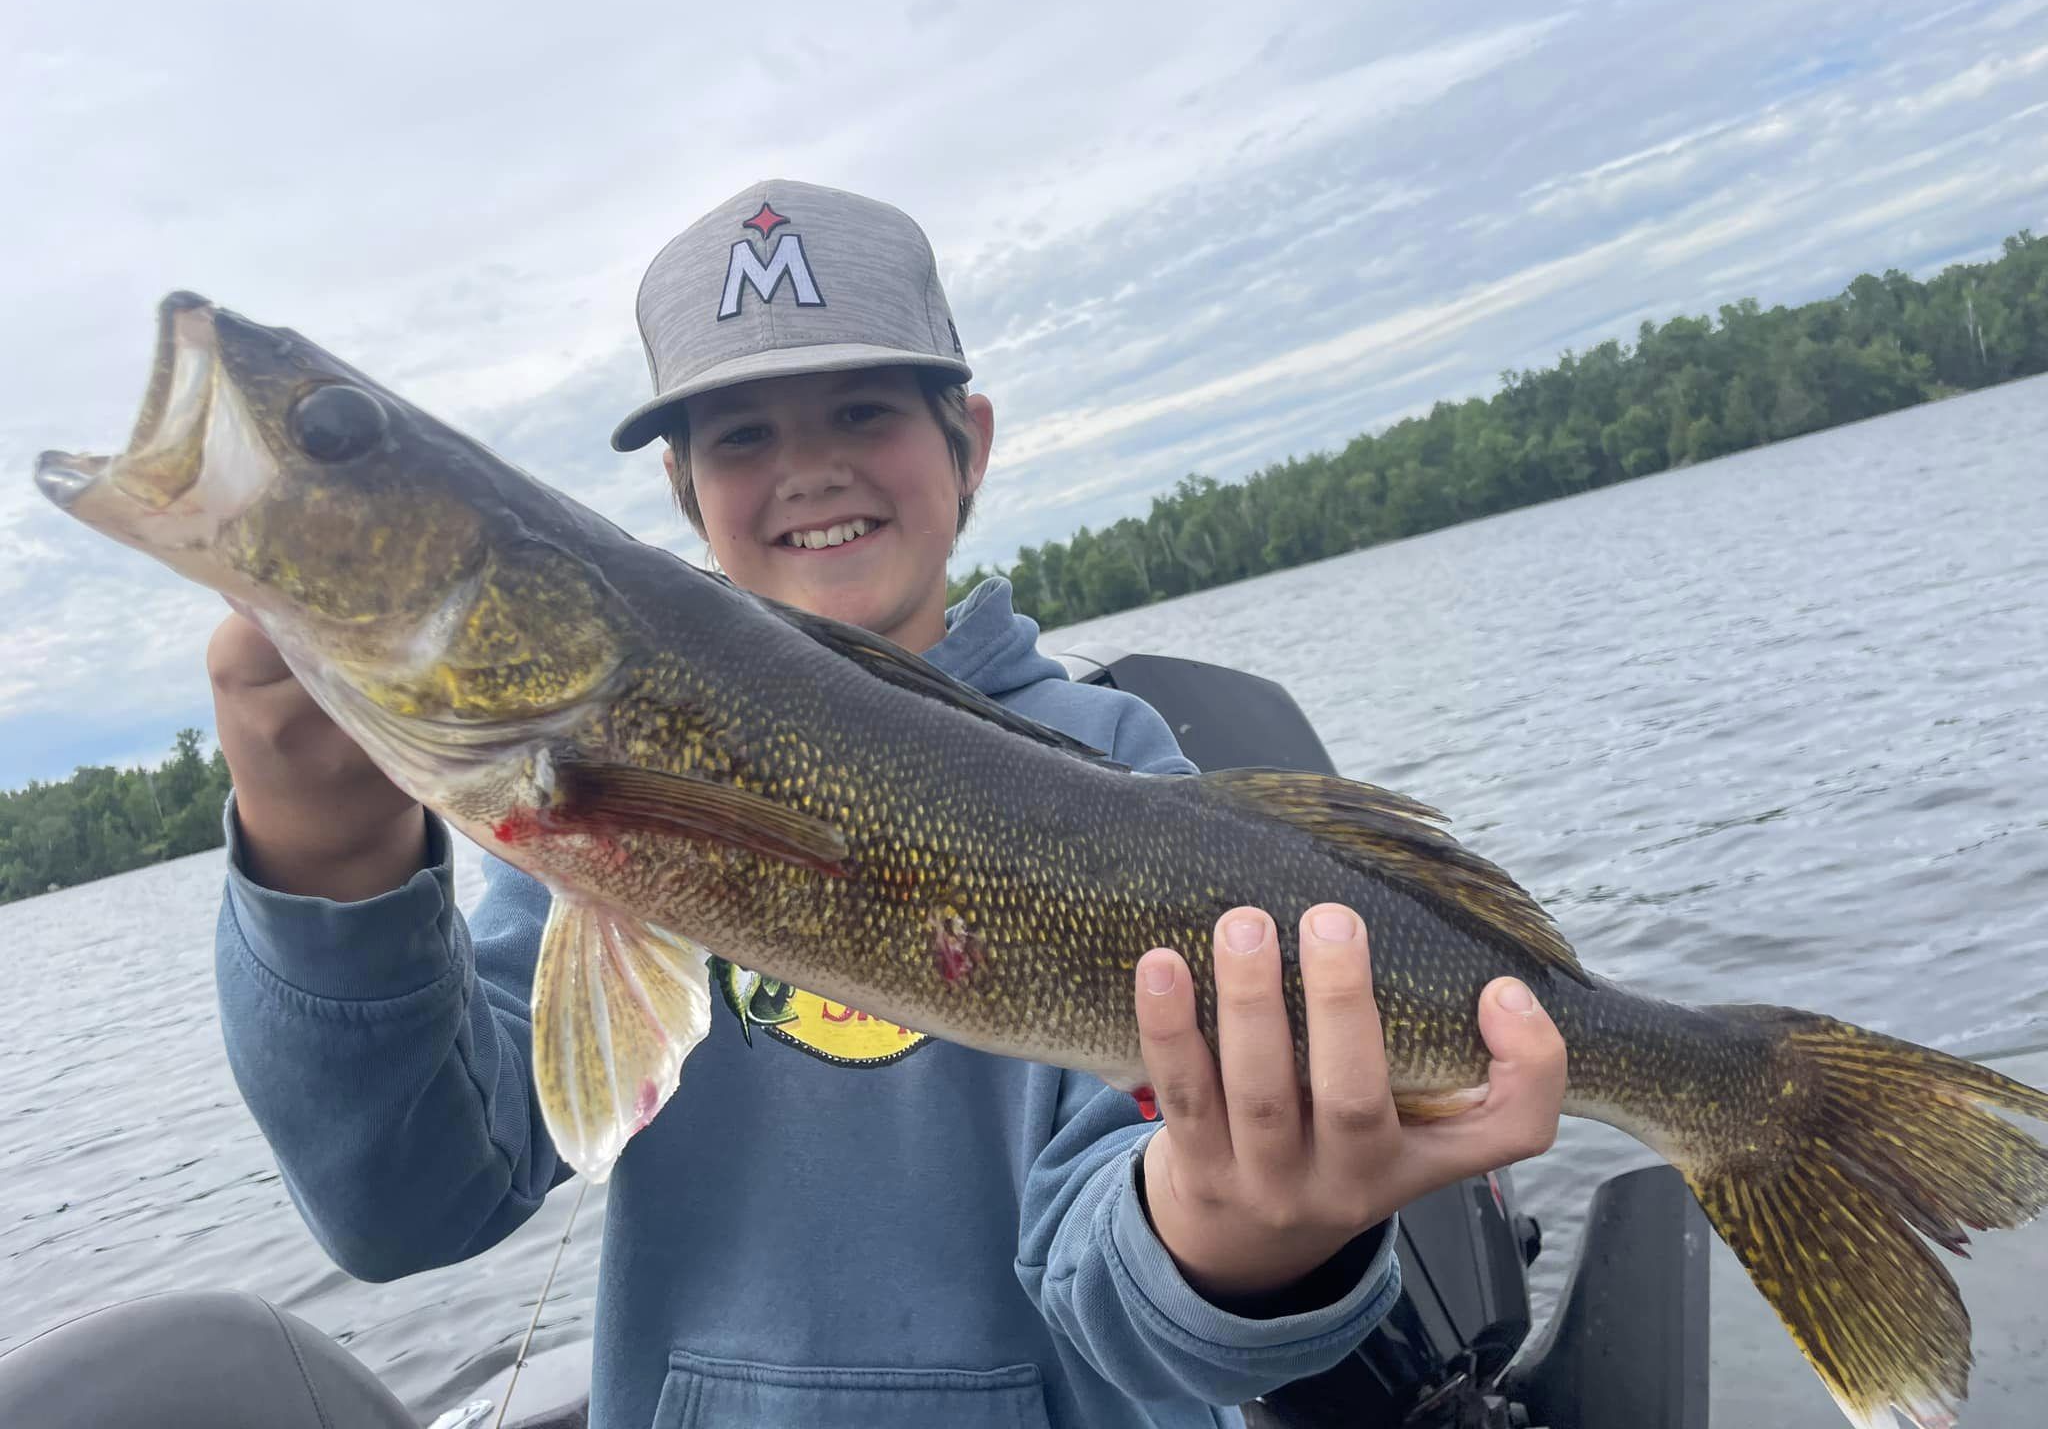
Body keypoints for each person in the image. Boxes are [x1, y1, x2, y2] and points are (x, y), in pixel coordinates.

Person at [194, 181, 1567, 1427]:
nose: (810, 466)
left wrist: (1237, 1233)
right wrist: (330, 863)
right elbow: (412, 1200)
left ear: (964, 443)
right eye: (742, 434)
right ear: (680, 492)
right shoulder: (576, 829)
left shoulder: (1115, 757)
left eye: (864, 409)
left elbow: (1137, 1302)